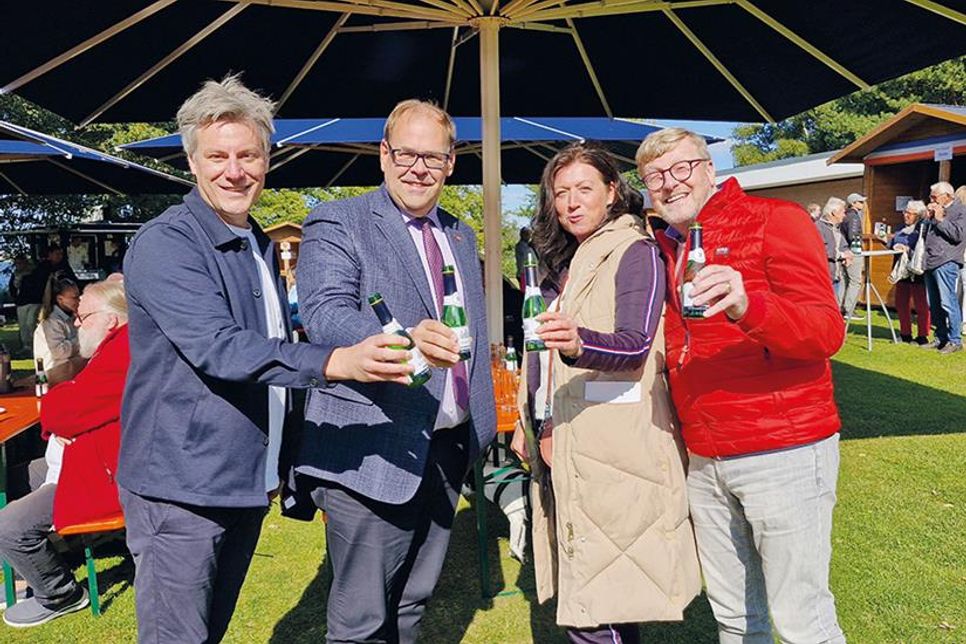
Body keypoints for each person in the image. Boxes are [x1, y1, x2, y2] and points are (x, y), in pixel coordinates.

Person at [116, 76, 339, 643]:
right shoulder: (168, 243)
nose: (234, 171)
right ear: (192, 162)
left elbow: (267, 341)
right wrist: (335, 360)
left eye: (248, 155)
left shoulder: (257, 240)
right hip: (180, 486)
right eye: (217, 156)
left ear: (267, 162)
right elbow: (220, 348)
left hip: (240, 479)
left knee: (207, 633)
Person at [294, 99, 496, 643]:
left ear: (452, 163)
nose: (418, 167)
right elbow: (325, 312)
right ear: (383, 155)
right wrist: (404, 337)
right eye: (406, 153)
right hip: (373, 448)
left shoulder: (459, 232)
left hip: (448, 444)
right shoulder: (339, 220)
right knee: (361, 619)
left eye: (433, 156)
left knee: (412, 602)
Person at [636, 128, 846, 644]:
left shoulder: (776, 222)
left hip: (784, 449)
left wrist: (748, 303)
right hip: (704, 455)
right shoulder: (663, 247)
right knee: (733, 616)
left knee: (802, 618)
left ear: (709, 169)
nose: (669, 183)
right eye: (655, 176)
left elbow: (825, 331)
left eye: (681, 168)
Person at [509, 142, 700, 643]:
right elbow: (541, 355)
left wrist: (578, 342)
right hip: (572, 439)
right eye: (561, 192)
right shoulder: (571, 260)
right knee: (604, 600)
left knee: (599, 611)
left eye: (584, 189)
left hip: (616, 450)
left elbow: (635, 345)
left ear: (613, 191)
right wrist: (531, 421)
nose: (571, 202)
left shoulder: (634, 251)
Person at [0, 278, 130, 628]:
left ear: (110, 320)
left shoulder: (124, 352)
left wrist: (67, 408)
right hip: (80, 459)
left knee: (8, 524)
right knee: (10, 478)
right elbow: (71, 402)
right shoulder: (109, 348)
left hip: (100, 472)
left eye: (83, 315)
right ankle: (21, 571)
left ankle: (60, 593)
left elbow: (62, 411)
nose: (76, 322)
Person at [920, 181, 965, 354]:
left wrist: (940, 219)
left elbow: (958, 235)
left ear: (947, 196)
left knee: (948, 302)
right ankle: (941, 337)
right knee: (934, 303)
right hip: (930, 261)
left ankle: (955, 340)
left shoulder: (961, 211)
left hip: (947, 261)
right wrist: (927, 217)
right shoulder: (934, 211)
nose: (931, 199)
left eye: (934, 196)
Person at [888, 200, 930, 344]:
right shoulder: (899, 228)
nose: (907, 215)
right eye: (906, 212)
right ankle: (905, 334)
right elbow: (892, 244)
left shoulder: (922, 231)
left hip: (917, 272)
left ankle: (922, 336)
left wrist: (908, 250)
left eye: (911, 213)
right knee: (901, 303)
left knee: (921, 305)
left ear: (918, 215)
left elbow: (923, 251)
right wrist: (891, 244)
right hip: (901, 271)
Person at [32, 273, 85, 385]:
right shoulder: (51, 321)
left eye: (79, 296)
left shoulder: (70, 317)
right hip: (52, 377)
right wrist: (82, 339)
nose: (78, 301)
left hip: (68, 374)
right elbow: (58, 352)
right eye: (74, 297)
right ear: (60, 299)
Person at [816, 197, 852, 300]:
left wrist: (847, 254)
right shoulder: (818, 227)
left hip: (835, 276)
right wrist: (842, 255)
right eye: (842, 212)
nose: (844, 216)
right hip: (823, 278)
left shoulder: (836, 228)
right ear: (834, 213)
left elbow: (843, 245)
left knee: (833, 308)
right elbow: (822, 250)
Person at [840, 193, 866, 320]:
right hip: (852, 252)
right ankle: (849, 309)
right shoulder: (854, 217)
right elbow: (853, 235)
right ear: (854, 203)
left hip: (844, 251)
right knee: (855, 281)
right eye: (860, 202)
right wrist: (856, 249)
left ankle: (840, 307)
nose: (863, 204)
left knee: (844, 281)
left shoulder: (844, 215)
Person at [9, 255, 36, 352]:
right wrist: (15, 298)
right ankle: (26, 346)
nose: (18, 265)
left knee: (30, 323)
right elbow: (12, 287)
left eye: (20, 263)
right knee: (23, 326)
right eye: (17, 263)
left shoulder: (32, 273)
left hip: (33, 301)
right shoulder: (15, 274)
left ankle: (34, 344)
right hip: (21, 302)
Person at [514, 225, 535, 290]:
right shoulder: (520, 246)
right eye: (526, 234)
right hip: (524, 274)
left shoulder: (528, 246)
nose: (528, 236)